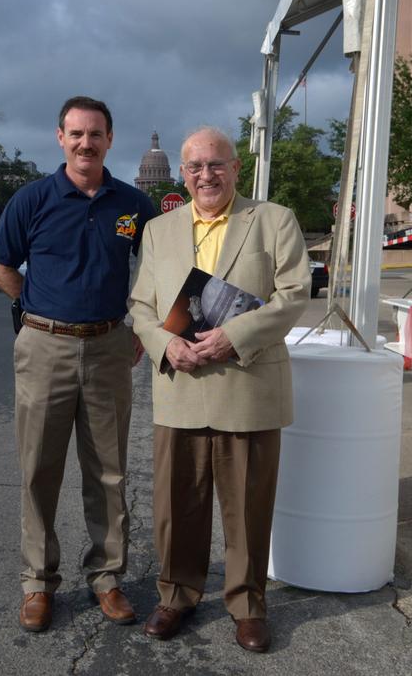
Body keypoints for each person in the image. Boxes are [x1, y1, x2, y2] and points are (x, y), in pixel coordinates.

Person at [127, 126, 309, 653]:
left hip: (247, 384)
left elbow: (294, 295)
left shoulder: (273, 220)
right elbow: (140, 306)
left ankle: (248, 606)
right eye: (194, 167)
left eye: (215, 164)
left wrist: (233, 336)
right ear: (181, 175)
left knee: (247, 507)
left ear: (235, 168)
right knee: (176, 504)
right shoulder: (159, 230)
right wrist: (163, 344)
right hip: (181, 386)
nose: (205, 175)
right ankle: (177, 596)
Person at [0, 96, 156, 633]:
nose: (86, 143)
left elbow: (158, 270)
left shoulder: (132, 205)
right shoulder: (33, 199)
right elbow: (0, 269)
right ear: (60, 137)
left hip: (109, 345)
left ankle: (107, 579)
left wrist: (142, 329)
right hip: (45, 346)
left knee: (108, 471)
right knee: (39, 468)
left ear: (110, 139)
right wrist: (34, 315)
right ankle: (38, 583)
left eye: (96, 134)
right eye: (76, 134)